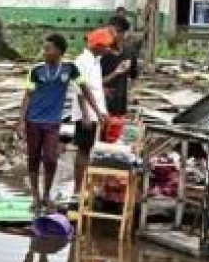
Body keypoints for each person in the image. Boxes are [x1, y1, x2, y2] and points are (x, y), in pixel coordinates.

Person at [18, 33, 105, 212]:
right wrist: (20, 121)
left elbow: (83, 90)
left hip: (53, 122)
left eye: (48, 49)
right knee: (33, 158)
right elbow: (27, 96)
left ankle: (46, 195)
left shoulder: (70, 68)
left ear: (59, 51)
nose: (44, 52)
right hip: (33, 120)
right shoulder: (36, 70)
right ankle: (35, 196)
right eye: (44, 48)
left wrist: (96, 111)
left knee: (50, 158)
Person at [71, 29, 112, 193]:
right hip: (85, 113)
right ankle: (77, 189)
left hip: (95, 112)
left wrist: (103, 111)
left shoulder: (96, 61)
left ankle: (83, 187)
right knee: (83, 149)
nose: (107, 49)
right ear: (98, 46)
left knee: (88, 149)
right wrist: (86, 115)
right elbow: (79, 89)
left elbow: (97, 90)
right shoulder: (82, 61)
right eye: (106, 46)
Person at [100, 21, 138, 117]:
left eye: (112, 33)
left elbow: (133, 76)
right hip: (102, 102)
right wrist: (115, 73)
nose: (109, 36)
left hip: (120, 102)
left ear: (122, 34)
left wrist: (130, 93)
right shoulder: (102, 53)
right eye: (108, 32)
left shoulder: (129, 51)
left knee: (116, 128)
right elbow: (93, 82)